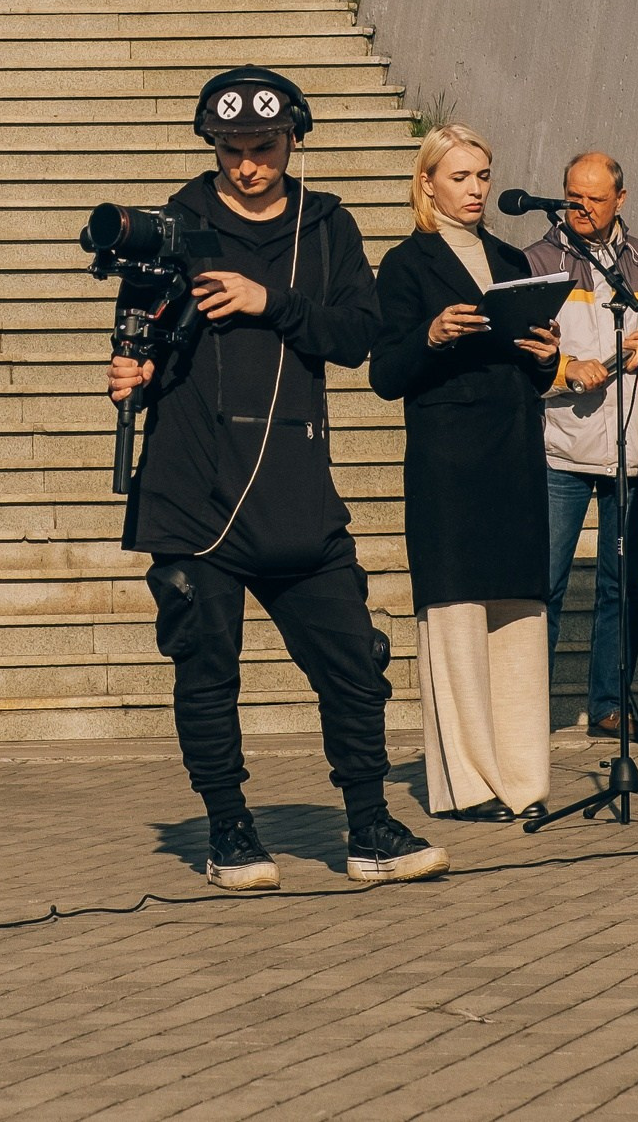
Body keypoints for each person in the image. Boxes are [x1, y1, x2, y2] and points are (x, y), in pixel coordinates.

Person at [109, 66, 448, 890]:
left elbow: (357, 334)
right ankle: (229, 828)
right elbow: (138, 332)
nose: (246, 164)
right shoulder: (174, 224)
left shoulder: (326, 225)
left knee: (354, 661)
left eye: (262, 148)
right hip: (194, 490)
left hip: (295, 486)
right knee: (206, 664)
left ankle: (367, 823)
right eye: (230, 149)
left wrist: (270, 301)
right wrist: (132, 371)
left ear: (293, 140)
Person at [370, 124, 562, 821]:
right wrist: (429, 336)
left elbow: (536, 372)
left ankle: (522, 774)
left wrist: (545, 353)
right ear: (427, 183)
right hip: (449, 462)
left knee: (517, 613)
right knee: (456, 617)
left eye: (483, 175)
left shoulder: (514, 257)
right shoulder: (406, 264)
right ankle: (470, 783)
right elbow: (384, 375)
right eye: (461, 176)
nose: (477, 188)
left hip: (513, 452)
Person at [525, 151, 638, 740]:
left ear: (620, 200)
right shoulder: (535, 261)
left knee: (621, 586)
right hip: (560, 450)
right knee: (545, 585)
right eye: (571, 196)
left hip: (630, 452)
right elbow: (518, 354)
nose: (580, 207)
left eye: (594, 198)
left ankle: (610, 705)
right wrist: (563, 368)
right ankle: (527, 710)